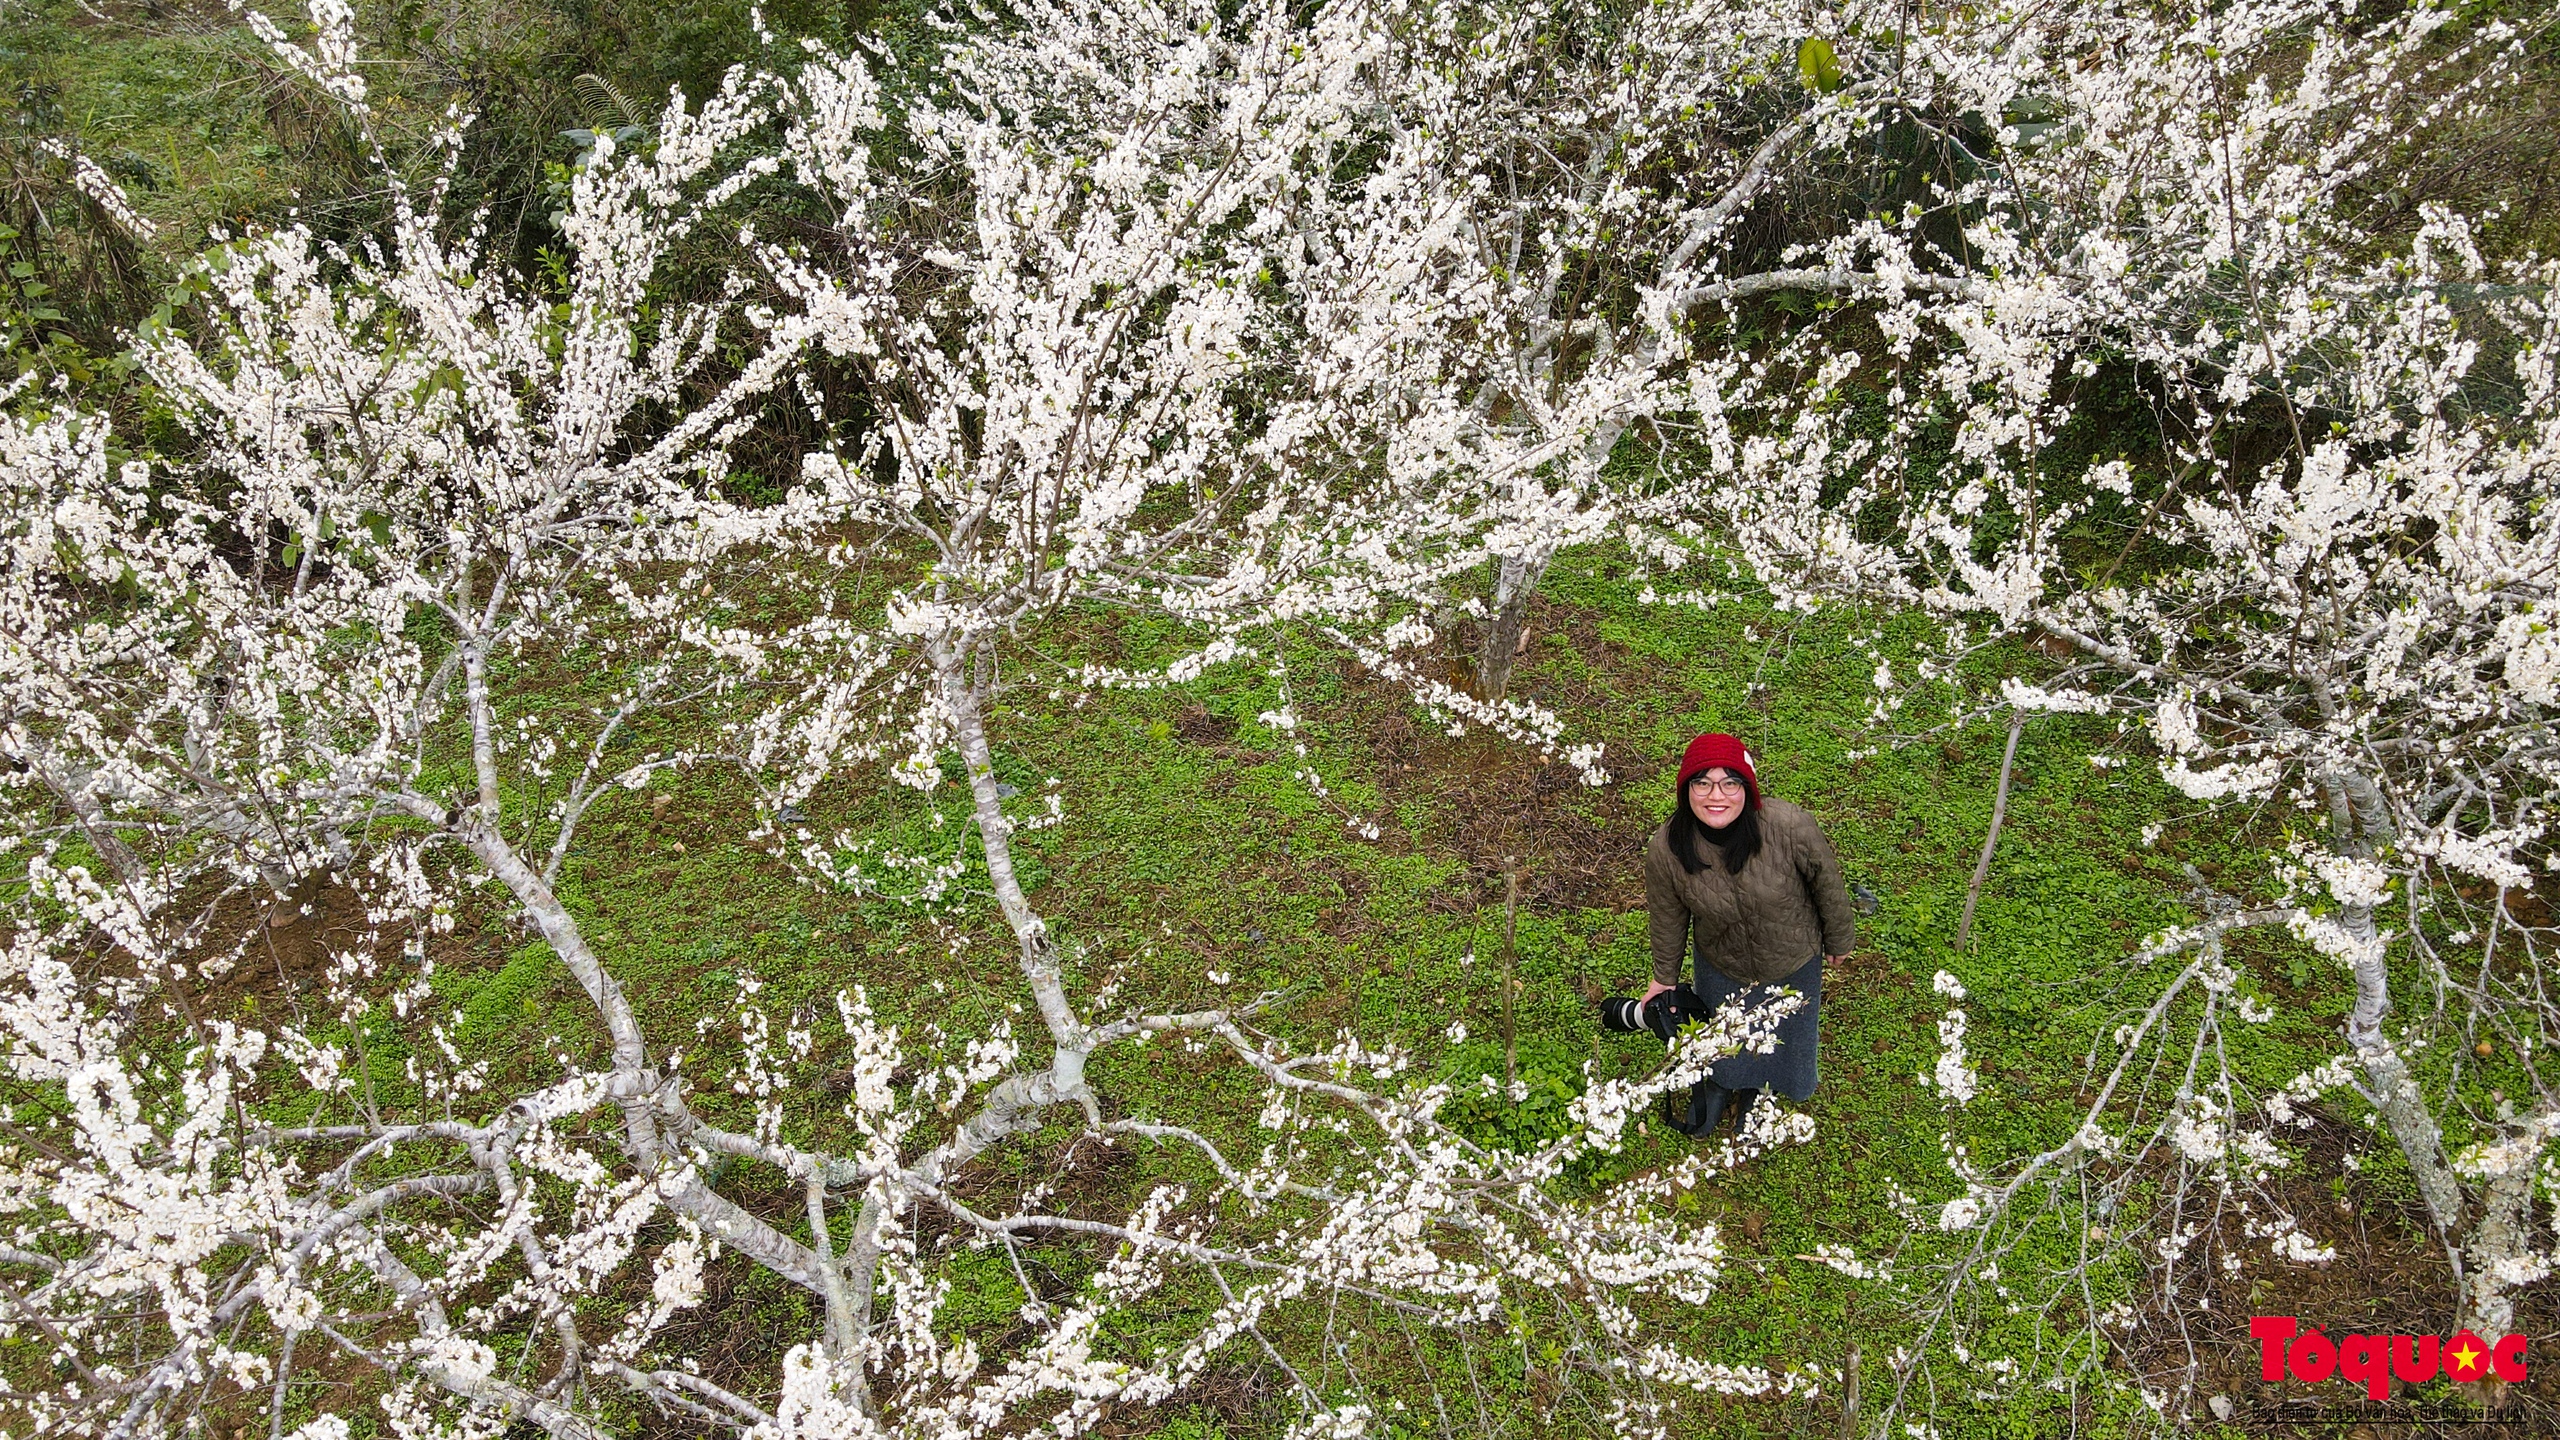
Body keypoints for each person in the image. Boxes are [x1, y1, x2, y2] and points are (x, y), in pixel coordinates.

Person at [1642, 732, 1855, 1137]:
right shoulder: (1667, 848)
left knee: (1783, 1034)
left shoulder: (1789, 826)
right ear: (1686, 789)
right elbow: (1667, 918)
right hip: (1722, 963)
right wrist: (1664, 978)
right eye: (1702, 783)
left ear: (1747, 787)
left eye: (1729, 782)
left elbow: (1827, 883)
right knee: (1725, 1035)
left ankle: (1762, 1091)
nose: (1715, 795)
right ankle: (1725, 1083)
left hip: (1792, 958)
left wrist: (1839, 939)